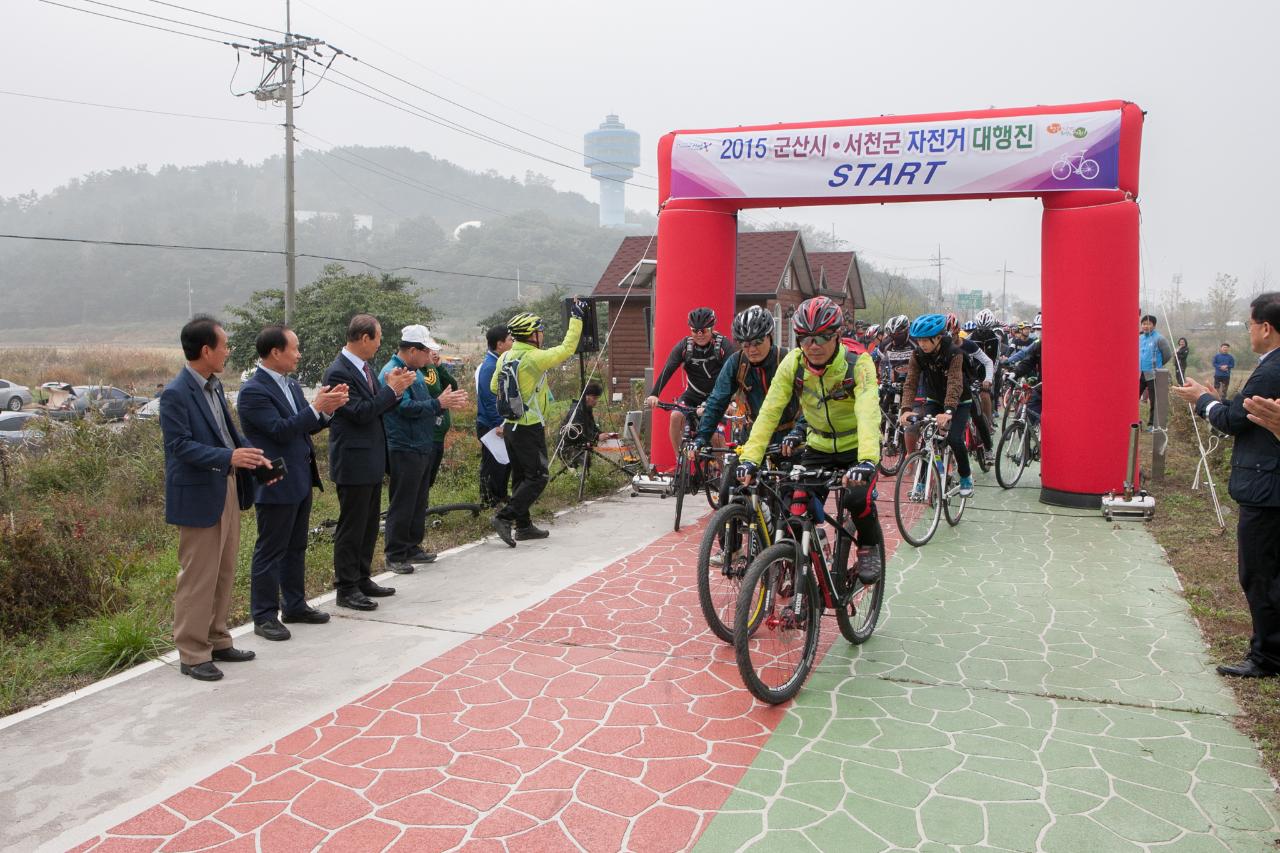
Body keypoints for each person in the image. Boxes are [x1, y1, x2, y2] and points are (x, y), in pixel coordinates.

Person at [735, 296, 884, 584]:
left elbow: (868, 411)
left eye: (821, 337)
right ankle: (811, 550)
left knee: (857, 497)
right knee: (795, 500)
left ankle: (869, 545)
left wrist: (867, 460)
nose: (813, 345)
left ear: (837, 336)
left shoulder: (859, 364)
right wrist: (750, 459)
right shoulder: (794, 363)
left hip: (856, 447)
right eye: (805, 338)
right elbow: (769, 411)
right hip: (818, 444)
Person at [1171, 292, 1280, 679]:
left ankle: (1267, 656)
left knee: (1260, 574)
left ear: (1265, 328)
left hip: (1267, 490)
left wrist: (1202, 400)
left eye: (1250, 324)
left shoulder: (1269, 370)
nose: (1250, 332)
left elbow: (1234, 421)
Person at [160, 315, 273, 681]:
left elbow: (229, 434)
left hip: (224, 486)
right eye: (224, 345)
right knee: (198, 576)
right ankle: (192, 653)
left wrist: (254, 459)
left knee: (224, 569)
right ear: (206, 350)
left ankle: (218, 638)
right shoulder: (177, 393)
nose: (228, 351)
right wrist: (229, 458)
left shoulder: (213, 386)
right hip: (198, 494)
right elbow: (179, 447)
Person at [237, 325, 350, 642]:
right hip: (275, 479)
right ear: (275, 352)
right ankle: (263, 615)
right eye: (295, 348)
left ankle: (295, 604)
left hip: (300, 476)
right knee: (271, 549)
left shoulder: (290, 384)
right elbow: (279, 430)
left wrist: (326, 412)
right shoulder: (253, 391)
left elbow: (304, 426)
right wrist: (316, 408)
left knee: (296, 546)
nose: (299, 354)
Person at [322, 315, 415, 611]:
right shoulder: (338, 372)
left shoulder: (364, 368)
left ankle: (362, 577)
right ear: (364, 338)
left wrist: (394, 391)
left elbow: (378, 406)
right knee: (352, 526)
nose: (378, 344)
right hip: (353, 460)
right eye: (377, 338)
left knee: (369, 523)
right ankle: (346, 587)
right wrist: (393, 391)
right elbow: (360, 412)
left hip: (371, 457)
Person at [489, 300, 587, 546]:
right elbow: (566, 349)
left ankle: (523, 527)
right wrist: (577, 318)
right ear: (531, 335)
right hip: (528, 426)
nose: (542, 335)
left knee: (521, 477)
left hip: (510, 425)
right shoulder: (533, 358)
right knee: (539, 476)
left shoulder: (506, 357)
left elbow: (493, 387)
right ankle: (505, 517)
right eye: (539, 331)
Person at [381, 325, 468, 574]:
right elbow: (403, 408)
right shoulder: (393, 372)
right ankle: (395, 553)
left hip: (421, 442)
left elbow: (424, 404)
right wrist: (438, 403)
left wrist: (442, 404)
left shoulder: (416, 371)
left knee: (419, 498)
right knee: (403, 500)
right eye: (425, 351)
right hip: (404, 444)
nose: (429, 356)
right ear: (412, 350)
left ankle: (412, 546)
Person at [696, 306, 798, 452]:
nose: (752, 349)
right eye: (746, 344)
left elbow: (809, 405)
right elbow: (717, 400)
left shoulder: (787, 359)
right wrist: (701, 437)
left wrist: (797, 433)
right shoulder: (737, 362)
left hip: (788, 437)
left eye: (758, 342)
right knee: (734, 472)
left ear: (770, 336)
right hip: (753, 434)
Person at [899, 313, 977, 498]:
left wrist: (949, 410)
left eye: (926, 340)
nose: (922, 344)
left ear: (939, 337)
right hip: (934, 398)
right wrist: (905, 409)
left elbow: (955, 382)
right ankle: (921, 483)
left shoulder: (954, 353)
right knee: (928, 439)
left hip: (959, 400)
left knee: (955, 438)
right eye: (919, 340)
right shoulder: (917, 354)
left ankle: (966, 476)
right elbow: (911, 382)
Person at [645, 307, 735, 463]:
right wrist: (654, 394)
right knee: (675, 416)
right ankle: (680, 460)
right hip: (693, 394)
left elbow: (733, 375)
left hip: (717, 396)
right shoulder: (685, 347)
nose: (699, 335)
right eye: (695, 331)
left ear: (712, 328)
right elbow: (668, 369)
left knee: (715, 437)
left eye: (704, 331)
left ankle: (724, 476)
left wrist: (732, 401)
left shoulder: (723, 346)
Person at [476, 325, 514, 508]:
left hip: (500, 422)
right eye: (510, 339)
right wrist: (500, 423)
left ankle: (500, 495)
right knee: (492, 463)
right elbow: (490, 399)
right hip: (491, 424)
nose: (512, 342)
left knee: (504, 463)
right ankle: (489, 500)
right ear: (499, 344)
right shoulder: (489, 367)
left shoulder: (500, 362)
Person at [421, 340, 459, 493]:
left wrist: (439, 367)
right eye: (431, 351)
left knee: (429, 479)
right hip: (428, 433)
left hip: (439, 433)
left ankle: (423, 511)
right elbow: (434, 387)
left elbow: (452, 386)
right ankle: (420, 512)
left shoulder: (432, 368)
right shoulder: (421, 372)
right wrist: (431, 365)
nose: (434, 354)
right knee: (422, 479)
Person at [1139, 314, 1174, 428]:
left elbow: (1168, 355)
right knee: (1132, 398)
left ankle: (1152, 424)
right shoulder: (1139, 338)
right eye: (1144, 324)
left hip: (1153, 374)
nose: (1146, 326)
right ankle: (1134, 421)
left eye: (1148, 324)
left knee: (1154, 400)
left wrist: (1157, 364)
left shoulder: (1159, 339)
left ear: (1154, 325)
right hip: (1139, 373)